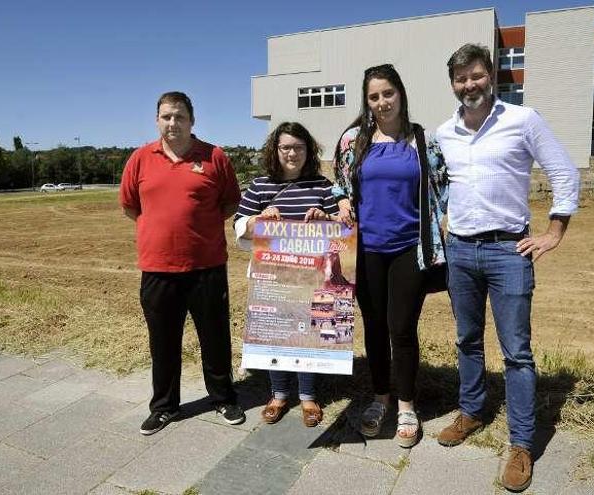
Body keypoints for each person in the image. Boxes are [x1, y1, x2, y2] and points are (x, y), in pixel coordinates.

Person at [434, 44, 580, 491]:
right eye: (460, 79)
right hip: (460, 251)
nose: (469, 85)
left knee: (517, 352)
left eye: (476, 76)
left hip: (508, 252)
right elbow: (442, 182)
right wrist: (445, 218)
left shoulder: (522, 119)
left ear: (491, 75)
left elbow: (563, 172)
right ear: (453, 84)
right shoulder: (445, 132)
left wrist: (554, 231)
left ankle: (520, 443)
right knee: (466, 339)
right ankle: (473, 411)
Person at [333, 64, 447, 448]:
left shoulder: (423, 142)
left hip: (408, 251)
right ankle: (380, 398)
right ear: (367, 102)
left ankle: (407, 406)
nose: (382, 102)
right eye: (374, 96)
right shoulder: (354, 140)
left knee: (401, 328)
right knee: (375, 327)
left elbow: (444, 189)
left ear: (400, 93)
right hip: (366, 252)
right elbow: (340, 187)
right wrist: (343, 203)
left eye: (388, 93)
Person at [119, 91, 245, 436]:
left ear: (192, 120)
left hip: (206, 268)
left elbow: (229, 203)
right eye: (166, 116)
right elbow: (131, 207)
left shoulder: (214, 157)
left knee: (215, 338)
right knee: (163, 342)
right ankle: (164, 407)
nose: (172, 123)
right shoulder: (141, 158)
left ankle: (223, 397)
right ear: (157, 120)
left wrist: (195, 229)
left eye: (179, 116)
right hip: (158, 270)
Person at [234, 121, 339, 427]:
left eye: (298, 147)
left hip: (313, 275)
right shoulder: (259, 186)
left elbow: (339, 231)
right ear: (275, 150)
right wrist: (258, 220)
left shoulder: (322, 186)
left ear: (308, 150)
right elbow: (239, 226)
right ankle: (278, 393)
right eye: (286, 147)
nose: (292, 153)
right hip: (273, 275)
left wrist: (325, 218)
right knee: (276, 331)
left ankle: (307, 396)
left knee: (308, 333)